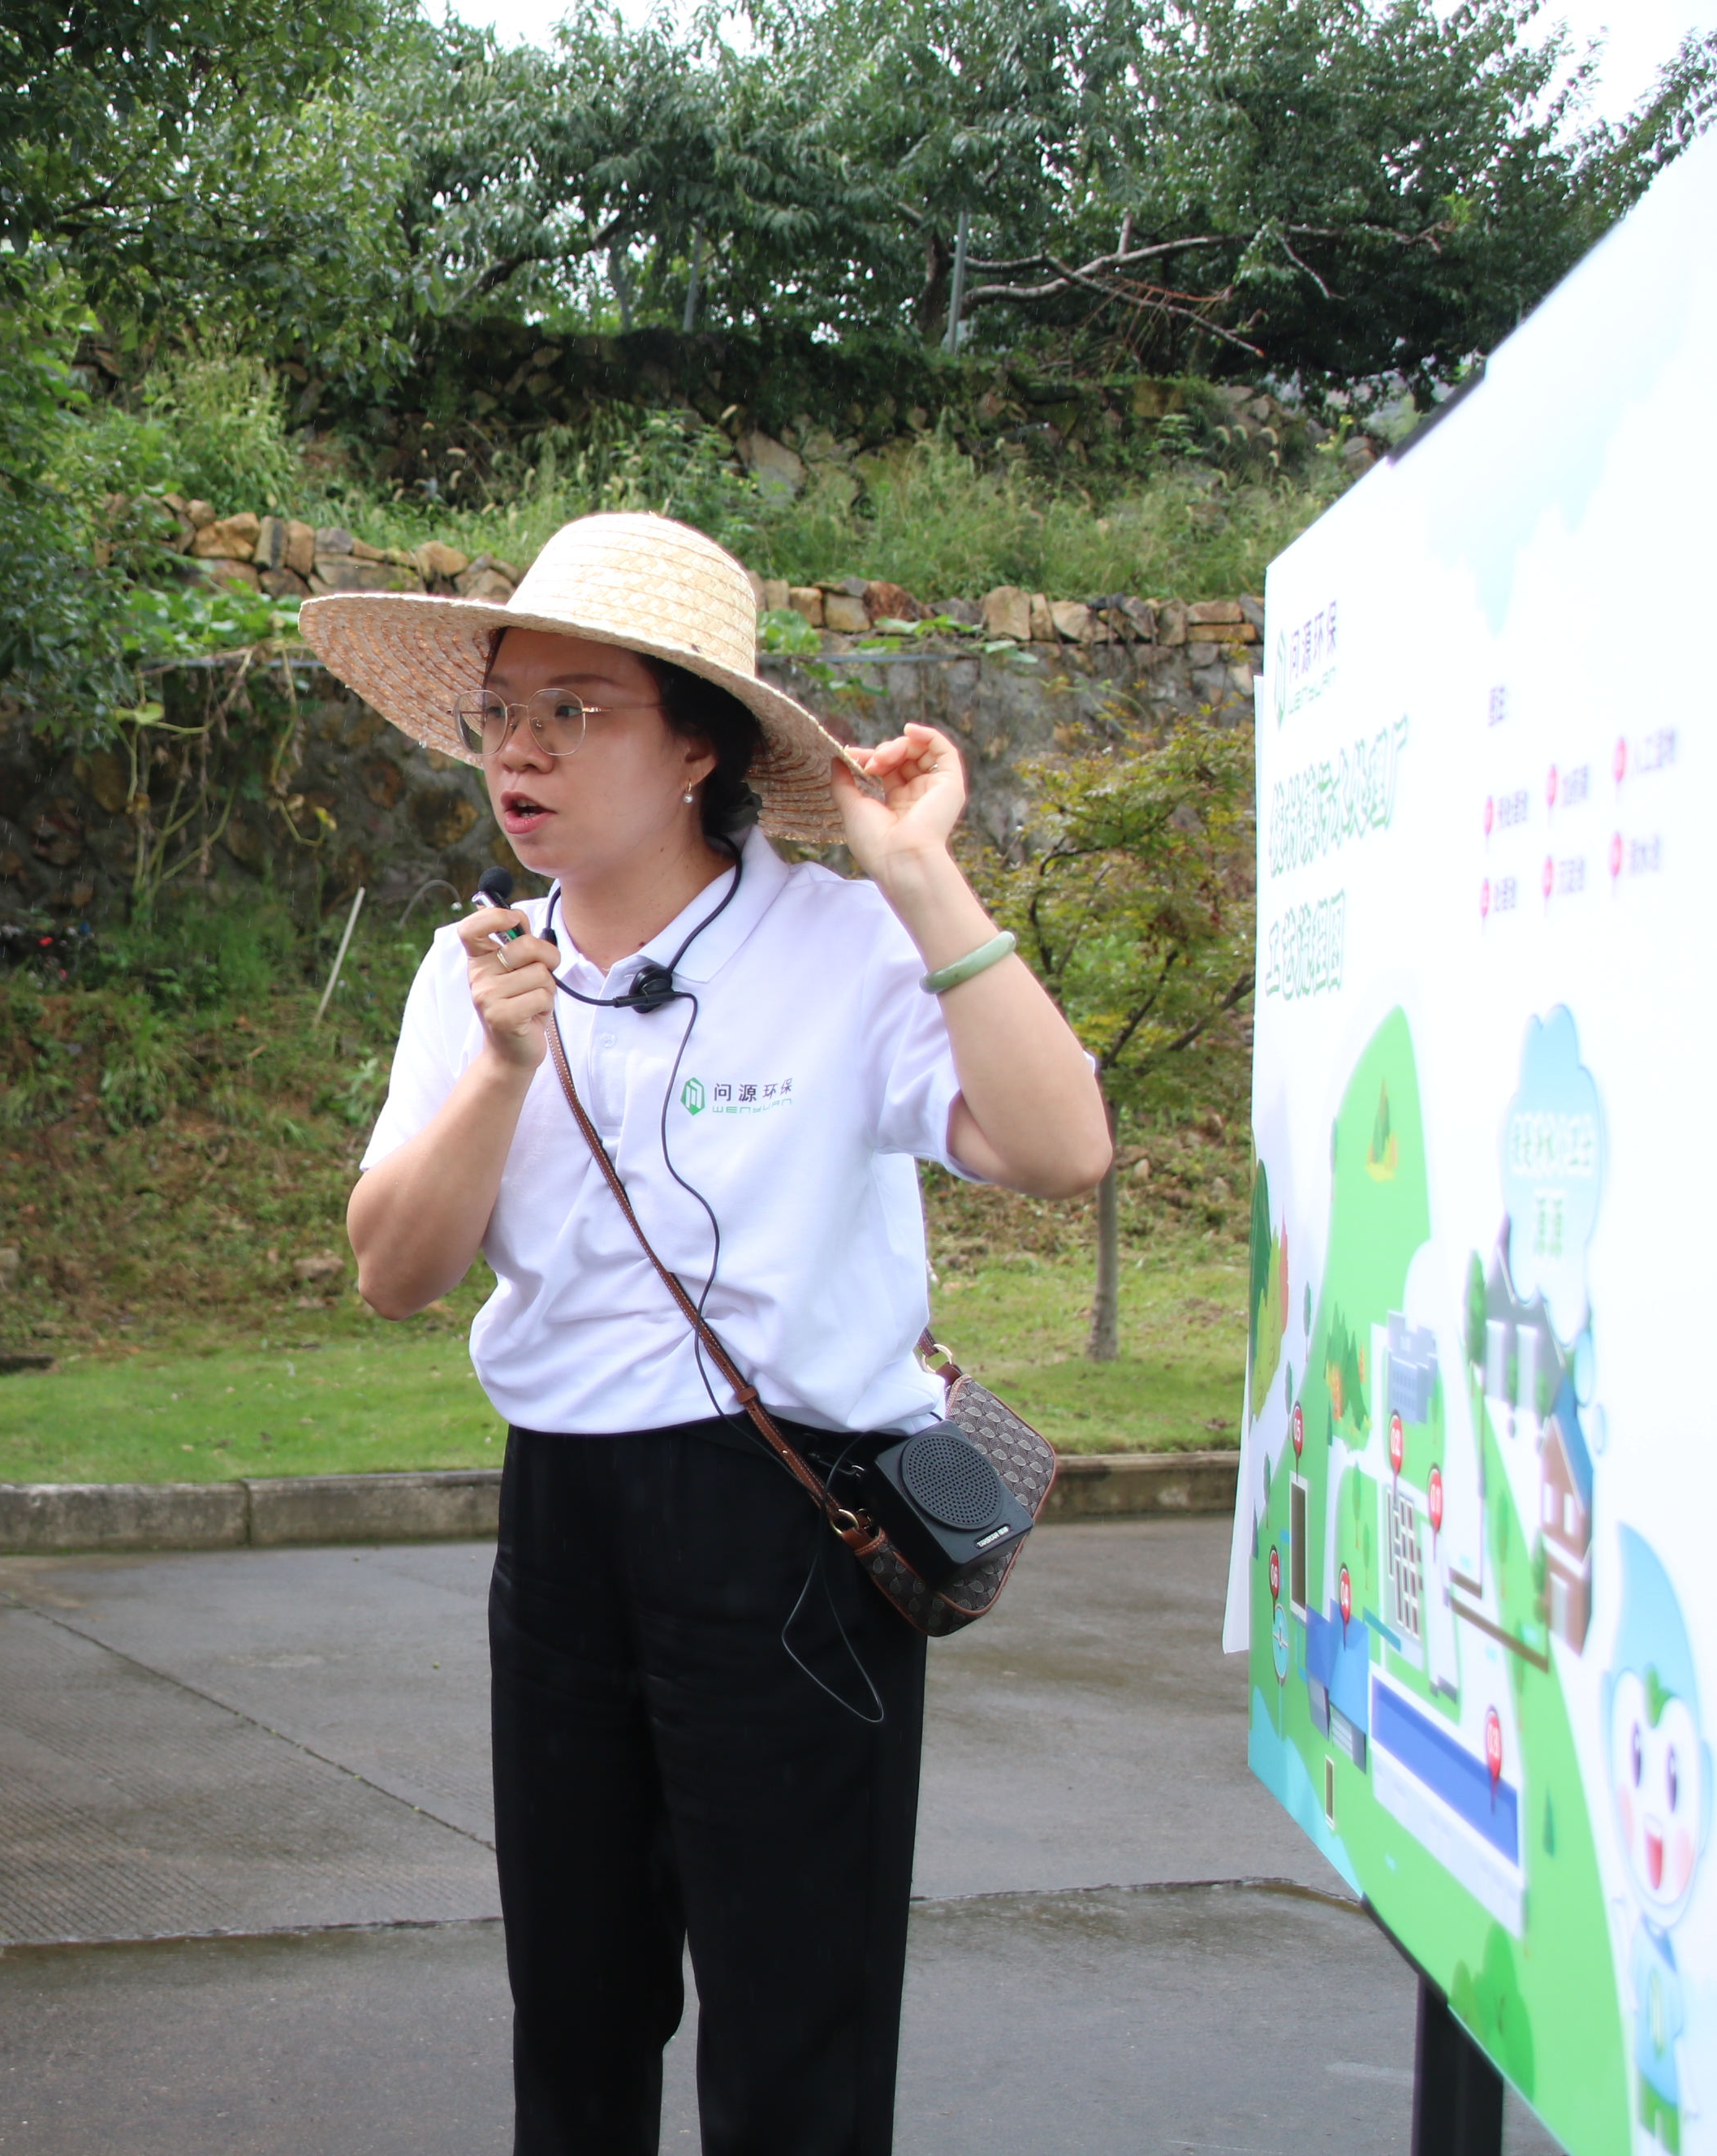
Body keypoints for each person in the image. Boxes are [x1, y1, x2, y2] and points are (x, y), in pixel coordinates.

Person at [316, 513, 1112, 2156]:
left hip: (795, 1522)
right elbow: (395, 1272)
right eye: (501, 711)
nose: (520, 751)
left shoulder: (840, 941)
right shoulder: (477, 971)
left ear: (699, 748)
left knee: (798, 2024)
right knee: (577, 2013)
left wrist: (919, 875)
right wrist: (501, 1067)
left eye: (576, 710)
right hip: (566, 1523)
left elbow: (1060, 1146)